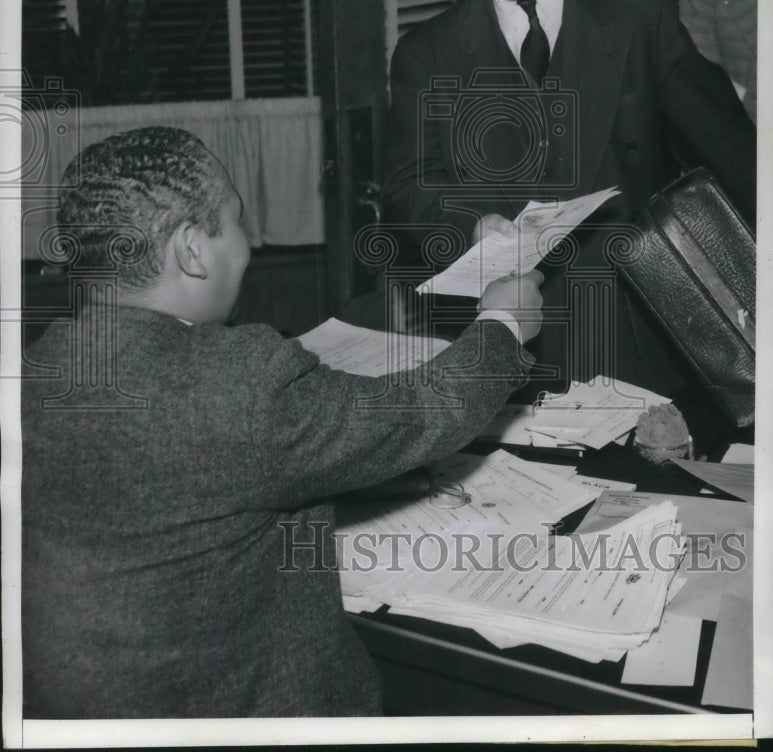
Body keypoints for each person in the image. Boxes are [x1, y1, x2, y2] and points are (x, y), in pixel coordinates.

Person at [21, 126, 543, 719]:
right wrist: (502, 324)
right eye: (238, 223)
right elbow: (420, 412)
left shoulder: (29, 374)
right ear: (193, 250)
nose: (249, 246)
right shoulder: (235, 381)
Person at [381, 0, 755, 414]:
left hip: (637, 345)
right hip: (498, 342)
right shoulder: (428, 51)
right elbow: (406, 188)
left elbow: (738, 159)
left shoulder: (642, 21)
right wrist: (472, 228)